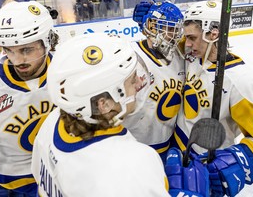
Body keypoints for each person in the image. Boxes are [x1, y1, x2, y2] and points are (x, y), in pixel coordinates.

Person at [31, 33, 171, 197]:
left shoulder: (54, 121)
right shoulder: (133, 164)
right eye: (132, 81)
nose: (139, 83)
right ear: (104, 104)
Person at [170, 0, 253, 196]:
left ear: (213, 34)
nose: (187, 44)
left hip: (206, 172)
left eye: (192, 37)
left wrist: (235, 164)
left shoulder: (242, 80)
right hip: (176, 156)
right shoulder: (193, 55)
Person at [0, 0, 59, 196]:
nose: (17, 61)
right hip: (4, 184)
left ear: (48, 41)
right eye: (9, 50)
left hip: (59, 174)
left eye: (26, 50)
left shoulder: (67, 71)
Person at [122, 1, 185, 164]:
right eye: (169, 28)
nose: (175, 35)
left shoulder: (180, 55)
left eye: (176, 29)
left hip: (168, 145)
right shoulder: (130, 58)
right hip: (134, 149)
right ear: (152, 26)